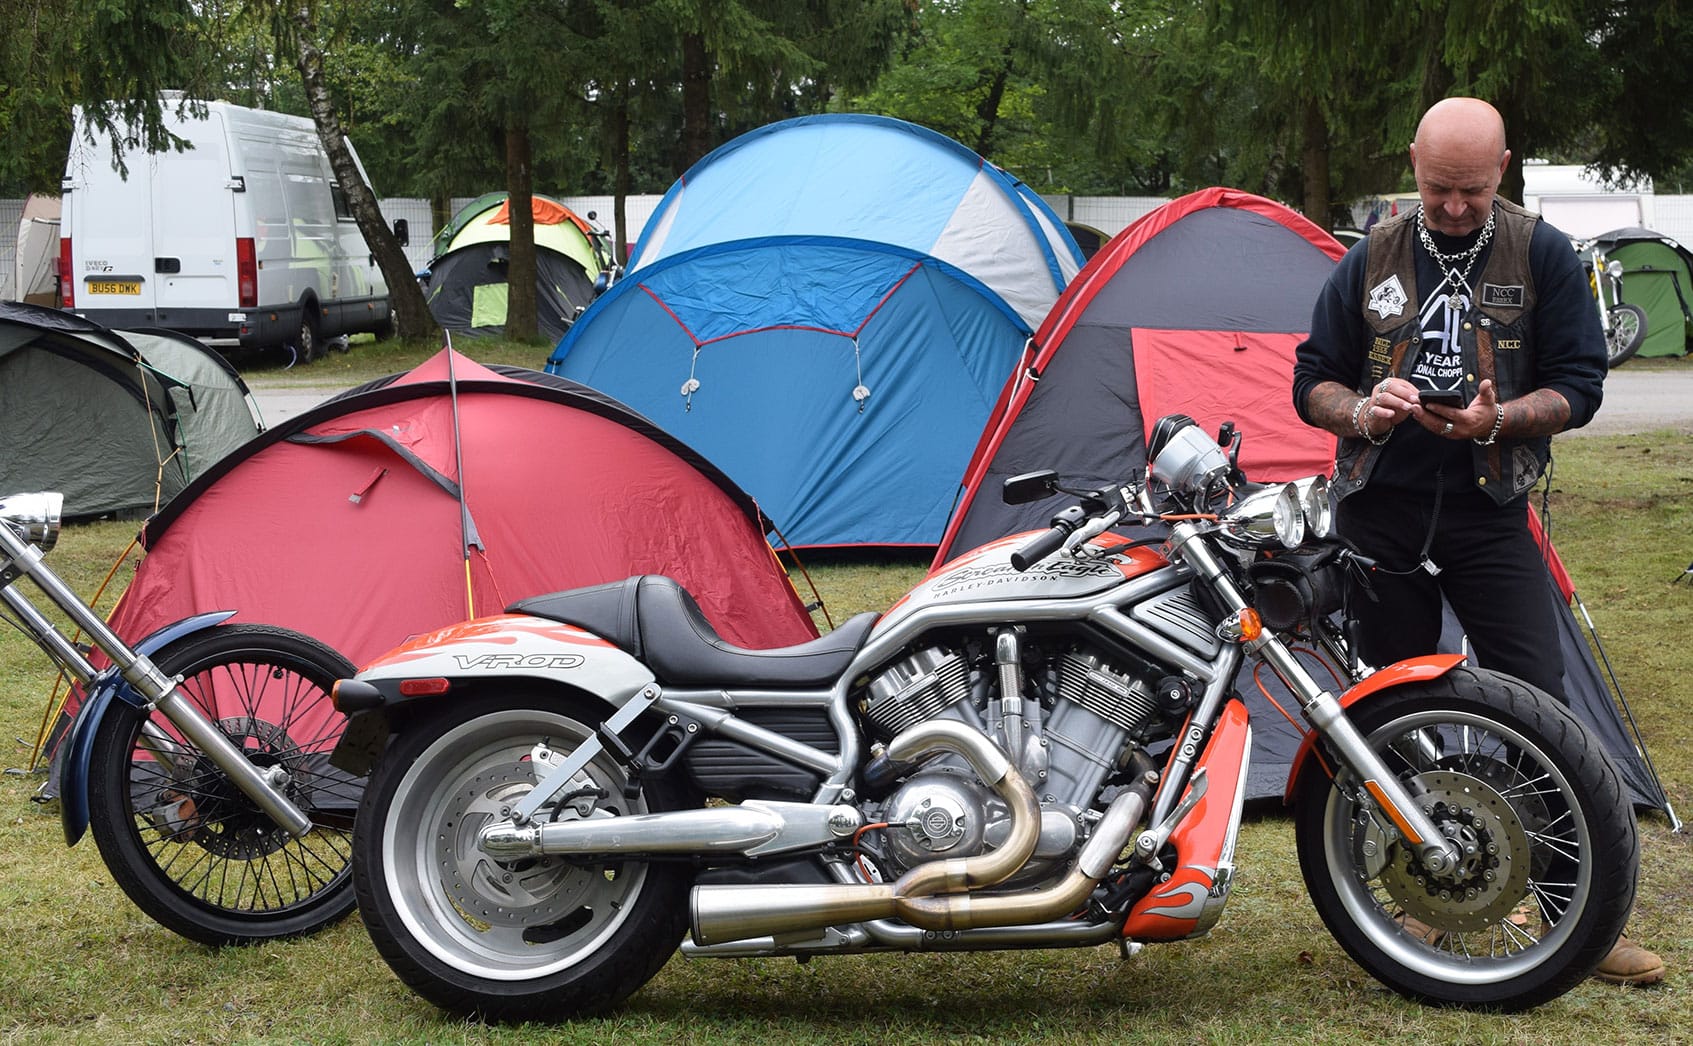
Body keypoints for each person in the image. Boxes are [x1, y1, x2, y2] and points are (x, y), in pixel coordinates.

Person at [1291, 96, 1664, 987]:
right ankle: (1415, 902)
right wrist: (1363, 411)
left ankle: (1573, 916)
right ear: (1412, 163)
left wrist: (1500, 420)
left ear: (1502, 168)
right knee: (1388, 713)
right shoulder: (1368, 256)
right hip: (1378, 514)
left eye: (1470, 189)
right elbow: (1312, 381)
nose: (1454, 206)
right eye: (1437, 188)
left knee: (1541, 709)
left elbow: (1580, 385)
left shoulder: (1541, 253)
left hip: (1488, 511)